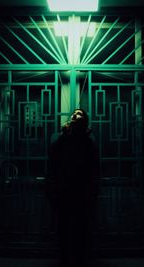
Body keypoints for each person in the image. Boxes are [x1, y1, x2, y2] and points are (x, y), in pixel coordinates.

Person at [46, 108, 100, 267]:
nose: (76, 114)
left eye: (80, 114)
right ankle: (65, 258)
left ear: (84, 121)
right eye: (74, 114)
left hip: (81, 191)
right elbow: (53, 160)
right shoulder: (62, 139)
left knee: (82, 228)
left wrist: (93, 190)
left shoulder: (89, 142)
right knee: (64, 228)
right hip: (65, 190)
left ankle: (80, 258)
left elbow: (95, 168)